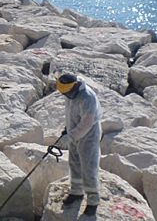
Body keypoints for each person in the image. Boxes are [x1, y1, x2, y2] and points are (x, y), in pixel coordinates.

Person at [57, 74, 102, 217]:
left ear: (76, 86)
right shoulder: (69, 93)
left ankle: (93, 200)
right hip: (74, 131)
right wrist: (67, 129)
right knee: (74, 162)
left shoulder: (88, 98)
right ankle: (76, 192)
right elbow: (71, 113)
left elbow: (86, 124)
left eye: (68, 93)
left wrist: (70, 136)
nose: (67, 96)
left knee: (88, 167)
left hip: (88, 135)